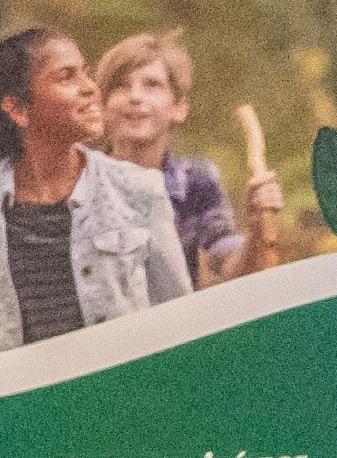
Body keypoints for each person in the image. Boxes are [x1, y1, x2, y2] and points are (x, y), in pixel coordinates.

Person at [0, 26, 195, 359]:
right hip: (19, 402)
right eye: (67, 77)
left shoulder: (138, 189)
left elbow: (178, 314)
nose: (90, 89)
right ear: (18, 109)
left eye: (86, 73)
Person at [89, 28, 285, 288]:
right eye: (122, 86)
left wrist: (257, 228)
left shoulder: (196, 182)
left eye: (152, 85)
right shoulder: (78, 180)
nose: (135, 96)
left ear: (179, 108)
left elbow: (231, 268)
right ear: (101, 106)